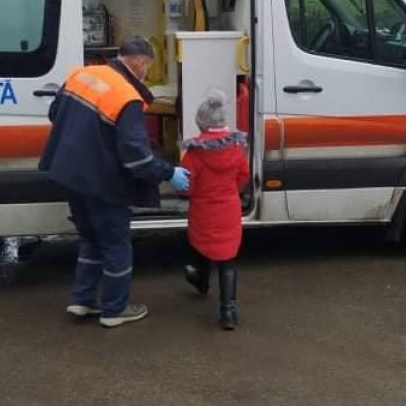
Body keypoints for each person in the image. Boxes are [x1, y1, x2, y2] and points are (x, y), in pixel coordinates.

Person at [39, 37, 190, 327]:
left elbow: (55, 113)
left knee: (90, 239)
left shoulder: (81, 74)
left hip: (69, 175)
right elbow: (137, 159)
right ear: (139, 62)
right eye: (148, 66)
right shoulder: (127, 96)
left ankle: (82, 301)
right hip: (101, 183)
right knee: (116, 244)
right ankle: (114, 310)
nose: (146, 72)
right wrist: (168, 173)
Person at [181, 92, 249, 330]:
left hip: (203, 210)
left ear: (201, 122)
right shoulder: (237, 149)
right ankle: (228, 312)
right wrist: (230, 191)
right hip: (229, 209)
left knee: (201, 247)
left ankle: (200, 281)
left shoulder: (194, 154)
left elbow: (186, 186)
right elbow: (243, 176)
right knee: (227, 261)